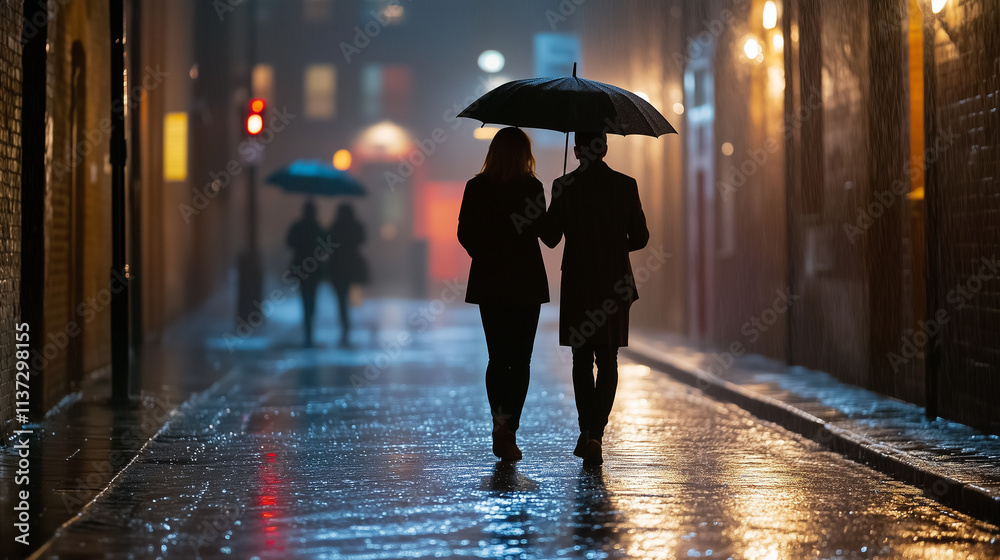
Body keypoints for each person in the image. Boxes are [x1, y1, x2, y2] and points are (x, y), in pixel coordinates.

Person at [540, 131, 649, 466]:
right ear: (605, 148)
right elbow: (641, 237)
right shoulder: (626, 184)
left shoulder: (564, 185)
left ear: (575, 151)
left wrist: (549, 209)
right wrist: (613, 247)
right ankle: (596, 434)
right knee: (609, 360)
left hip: (578, 281)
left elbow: (550, 238)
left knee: (581, 360)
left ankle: (586, 429)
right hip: (613, 282)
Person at [458, 127, 549, 462]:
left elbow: (464, 232)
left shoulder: (476, 187)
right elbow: (549, 237)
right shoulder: (532, 187)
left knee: (497, 357)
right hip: (526, 283)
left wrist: (486, 256)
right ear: (525, 154)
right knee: (520, 360)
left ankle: (499, 421)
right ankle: (510, 427)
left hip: (490, 282)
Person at [286, 199, 327, 347]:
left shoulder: (298, 226)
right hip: (314, 269)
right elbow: (326, 245)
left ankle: (308, 334)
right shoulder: (317, 227)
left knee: (305, 299)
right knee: (311, 300)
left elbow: (289, 242)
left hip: (301, 268)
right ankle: (309, 333)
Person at [329, 204, 368, 347]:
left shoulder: (335, 227)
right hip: (351, 267)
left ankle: (345, 326)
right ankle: (347, 326)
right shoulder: (356, 226)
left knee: (341, 299)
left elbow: (328, 243)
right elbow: (363, 239)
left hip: (337, 268)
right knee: (348, 296)